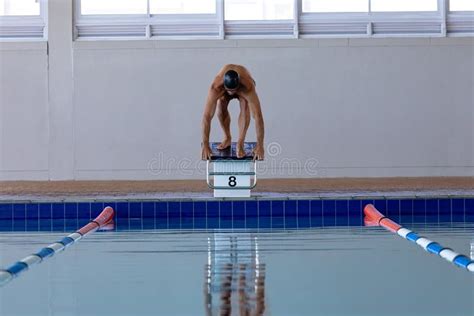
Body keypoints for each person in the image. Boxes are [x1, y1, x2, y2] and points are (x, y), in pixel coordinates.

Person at [201, 64, 265, 160]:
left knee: (245, 104)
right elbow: (206, 117)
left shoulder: (248, 86)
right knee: (221, 102)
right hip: (224, 90)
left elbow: (258, 116)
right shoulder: (216, 87)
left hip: (242, 88)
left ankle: (240, 142)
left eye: (234, 90)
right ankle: (227, 137)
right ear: (224, 86)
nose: (232, 93)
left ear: (238, 85)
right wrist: (205, 145)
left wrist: (260, 145)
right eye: (229, 91)